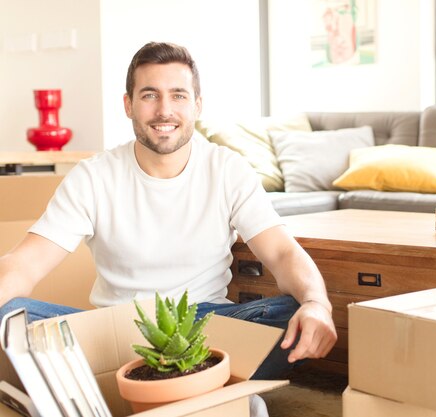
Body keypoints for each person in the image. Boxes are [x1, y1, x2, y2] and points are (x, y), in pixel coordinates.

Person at [0, 42, 337, 382]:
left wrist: (317, 303)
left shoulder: (227, 169)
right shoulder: (93, 176)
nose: (164, 110)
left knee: (293, 313)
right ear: (128, 105)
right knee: (11, 315)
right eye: (149, 95)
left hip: (205, 329)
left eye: (178, 95)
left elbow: (281, 252)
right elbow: (25, 264)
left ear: (196, 105)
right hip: (117, 332)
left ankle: (145, 382)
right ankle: (209, 384)